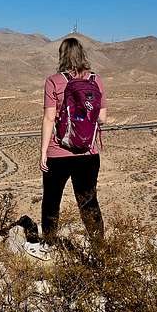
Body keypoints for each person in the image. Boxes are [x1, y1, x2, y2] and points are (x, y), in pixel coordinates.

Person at [39, 36, 106, 242]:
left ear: (62, 56)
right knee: (88, 202)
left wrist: (43, 153)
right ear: (82, 55)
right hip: (88, 153)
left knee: (51, 200)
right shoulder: (96, 80)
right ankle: (99, 249)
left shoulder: (54, 81)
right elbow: (103, 118)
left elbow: (49, 118)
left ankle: (49, 245)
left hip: (58, 152)